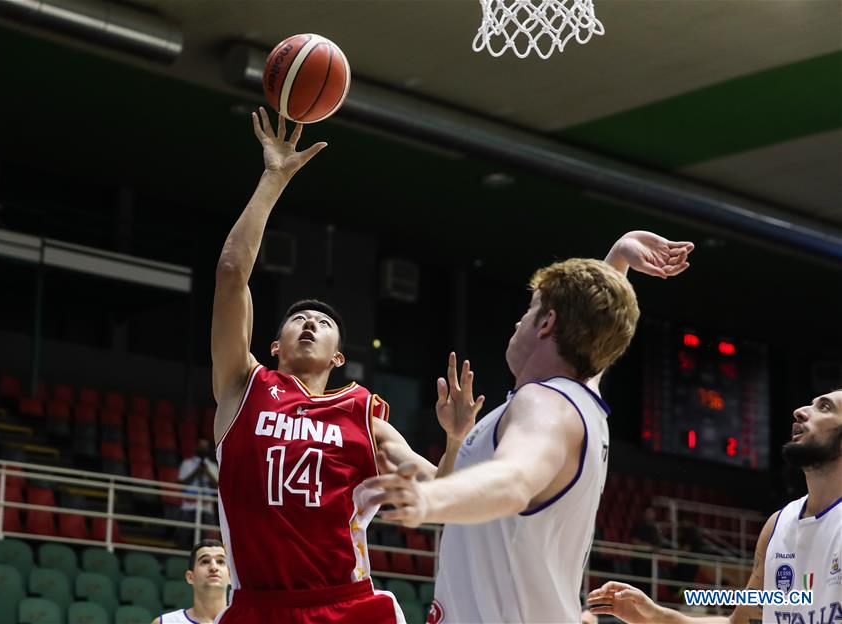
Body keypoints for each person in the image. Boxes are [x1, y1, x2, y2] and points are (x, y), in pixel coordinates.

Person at [366, 231, 694, 623]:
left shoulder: (544, 405)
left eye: (530, 310)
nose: (520, 320)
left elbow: (514, 480)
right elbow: (591, 329)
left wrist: (429, 500)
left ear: (546, 323)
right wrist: (618, 259)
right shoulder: (581, 398)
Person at [209, 108, 434, 623]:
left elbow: (443, 488)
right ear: (272, 345)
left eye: (322, 322)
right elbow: (230, 273)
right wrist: (273, 178)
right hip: (259, 609)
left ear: (339, 357)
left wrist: (461, 436)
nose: (308, 323)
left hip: (347, 609)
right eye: (297, 319)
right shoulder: (243, 386)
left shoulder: (364, 416)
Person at [587, 389, 842, 624]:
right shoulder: (777, 526)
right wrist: (654, 615)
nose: (800, 411)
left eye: (825, 407)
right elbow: (736, 623)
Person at [153, 539, 230, 624]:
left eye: (220, 561)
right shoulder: (165, 622)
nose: (213, 567)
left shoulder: (245, 620)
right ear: (190, 577)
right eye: (205, 561)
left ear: (230, 576)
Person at [175, 438, 219, 549]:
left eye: (205, 447)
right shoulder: (187, 463)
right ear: (196, 447)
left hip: (206, 507)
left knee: (208, 541)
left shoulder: (213, 466)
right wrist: (196, 472)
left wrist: (207, 472)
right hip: (188, 506)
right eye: (201, 446)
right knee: (183, 537)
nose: (203, 449)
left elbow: (218, 486)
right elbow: (181, 483)